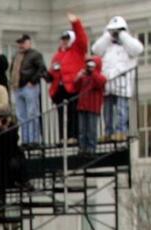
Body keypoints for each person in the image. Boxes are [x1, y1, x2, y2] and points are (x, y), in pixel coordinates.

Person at [92, 16, 144, 140]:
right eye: (113, 30)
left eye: (118, 30)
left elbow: (138, 49)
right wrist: (107, 35)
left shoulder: (128, 45)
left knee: (121, 110)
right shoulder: (107, 46)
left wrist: (123, 35)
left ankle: (121, 131)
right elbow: (95, 50)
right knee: (107, 112)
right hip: (108, 84)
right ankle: (108, 132)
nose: (115, 33)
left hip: (122, 84)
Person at [48, 15, 88, 143]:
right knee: (61, 113)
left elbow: (82, 39)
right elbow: (53, 71)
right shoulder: (57, 55)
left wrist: (75, 23)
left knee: (73, 111)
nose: (64, 41)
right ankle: (62, 137)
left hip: (73, 85)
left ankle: (73, 135)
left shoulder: (77, 51)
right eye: (63, 39)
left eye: (67, 39)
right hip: (59, 87)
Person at [10, 33, 47, 146]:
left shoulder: (35, 54)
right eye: (20, 43)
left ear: (29, 42)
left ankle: (34, 139)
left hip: (29, 86)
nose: (21, 45)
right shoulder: (16, 55)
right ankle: (25, 140)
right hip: (18, 87)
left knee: (32, 113)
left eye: (23, 42)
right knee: (21, 116)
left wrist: (33, 81)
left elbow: (42, 68)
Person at [75, 57, 107, 155]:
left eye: (92, 65)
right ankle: (82, 148)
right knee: (82, 130)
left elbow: (99, 83)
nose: (90, 67)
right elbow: (76, 87)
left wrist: (93, 72)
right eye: (89, 65)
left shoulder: (101, 77)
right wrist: (78, 77)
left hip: (93, 107)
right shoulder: (84, 77)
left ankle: (91, 148)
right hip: (82, 106)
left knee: (91, 129)